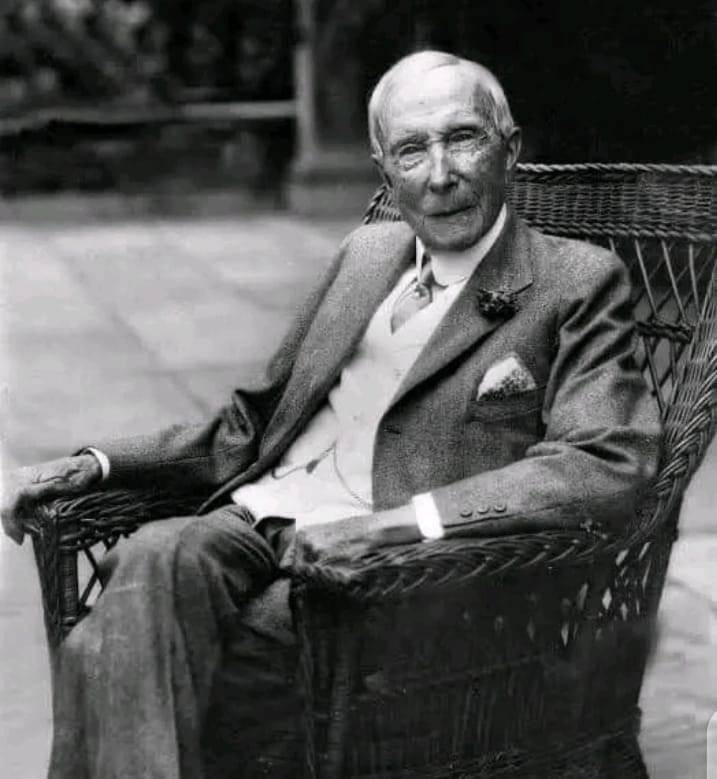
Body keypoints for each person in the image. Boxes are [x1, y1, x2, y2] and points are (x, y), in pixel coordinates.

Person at [2, 51, 661, 778]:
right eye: (412, 150)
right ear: (384, 172)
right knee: (147, 561)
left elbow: (603, 462)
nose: (440, 174)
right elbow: (252, 425)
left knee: (117, 649)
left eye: (463, 138)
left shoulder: (574, 282)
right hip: (260, 519)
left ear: (511, 148)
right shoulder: (365, 254)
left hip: (400, 572)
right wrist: (96, 464)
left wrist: (401, 523)